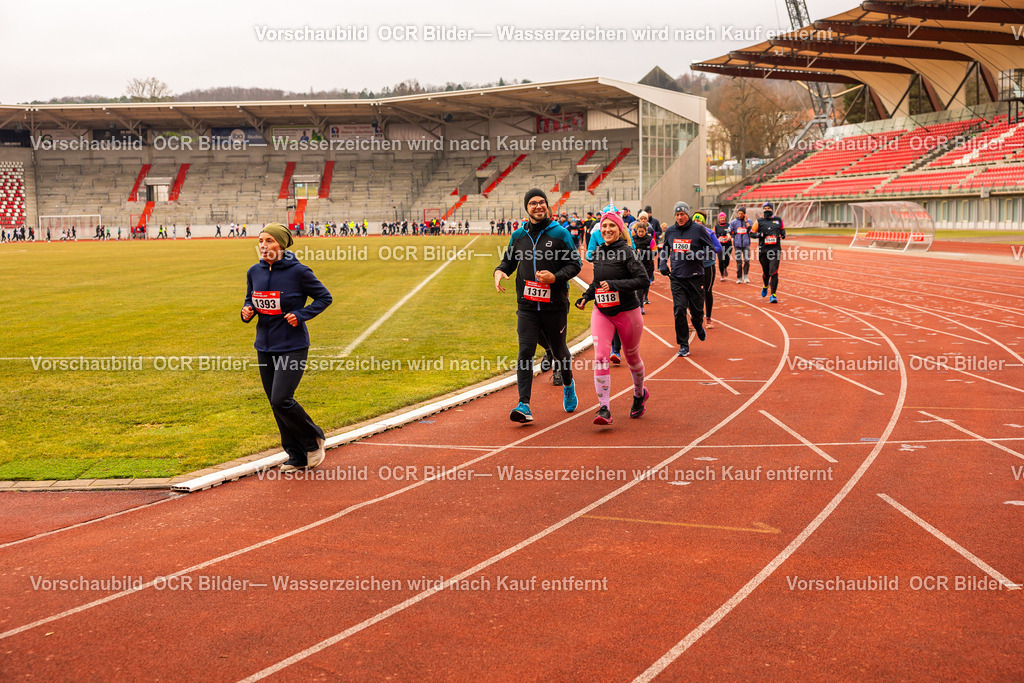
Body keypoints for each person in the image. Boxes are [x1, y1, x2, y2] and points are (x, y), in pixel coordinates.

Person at [241, 223, 333, 471]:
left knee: (282, 399)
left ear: (281, 244)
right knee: (274, 402)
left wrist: (301, 315)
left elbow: (325, 297)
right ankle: (296, 455)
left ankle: (313, 439)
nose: (263, 246)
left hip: (292, 345)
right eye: (260, 241)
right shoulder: (254, 272)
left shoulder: (299, 272)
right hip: (264, 346)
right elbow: (251, 299)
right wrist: (246, 311)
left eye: (269, 241)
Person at [494, 188, 582, 423]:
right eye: (533, 203)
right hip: (527, 307)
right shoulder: (518, 236)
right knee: (525, 352)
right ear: (527, 208)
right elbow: (508, 261)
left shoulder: (560, 234)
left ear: (547, 206)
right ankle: (524, 404)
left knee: (559, 350)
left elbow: (575, 264)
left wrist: (555, 277)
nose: (538, 206)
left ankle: (568, 383)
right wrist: (500, 271)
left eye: (542, 202)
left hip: (554, 305)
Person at [575, 212, 650, 425]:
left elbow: (643, 280)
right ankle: (604, 408)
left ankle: (639, 395)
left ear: (619, 229)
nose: (607, 229)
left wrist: (616, 285)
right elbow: (598, 282)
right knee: (600, 357)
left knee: (631, 356)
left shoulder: (627, 252)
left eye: (611, 226)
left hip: (627, 312)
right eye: (604, 226)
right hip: (602, 312)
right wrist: (586, 297)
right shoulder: (598, 253)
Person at [658, 201, 720, 357]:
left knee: (697, 311)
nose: (680, 217)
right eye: (677, 215)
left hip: (695, 277)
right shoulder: (670, 231)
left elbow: (711, 249)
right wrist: (662, 264)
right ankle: (683, 344)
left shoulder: (698, 229)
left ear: (687, 215)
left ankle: (698, 324)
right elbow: (665, 248)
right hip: (677, 277)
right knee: (679, 310)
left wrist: (696, 255)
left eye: (682, 215)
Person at [692, 212, 723, 330]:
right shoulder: (689, 233)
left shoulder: (709, 233)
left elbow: (719, 248)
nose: (696, 223)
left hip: (708, 265)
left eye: (699, 221)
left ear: (703, 223)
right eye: (694, 220)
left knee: (707, 291)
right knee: (693, 292)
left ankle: (708, 317)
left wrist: (706, 251)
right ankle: (694, 318)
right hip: (694, 265)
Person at [753, 202, 785, 303]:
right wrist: (759, 235)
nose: (767, 210)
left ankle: (773, 295)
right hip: (763, 251)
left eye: (769, 208)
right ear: (763, 210)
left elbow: (782, 230)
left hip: (775, 251)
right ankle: (766, 285)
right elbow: (751, 233)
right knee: (766, 273)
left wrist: (783, 234)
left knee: (774, 272)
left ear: (772, 210)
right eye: (765, 208)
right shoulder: (759, 221)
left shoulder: (778, 220)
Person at [631, 212, 657, 309]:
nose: (641, 233)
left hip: (648, 265)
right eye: (639, 231)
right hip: (637, 265)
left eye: (642, 231)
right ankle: (640, 305)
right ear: (636, 231)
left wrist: (642, 252)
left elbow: (654, 253)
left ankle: (643, 297)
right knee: (639, 286)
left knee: (646, 285)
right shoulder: (633, 239)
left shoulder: (650, 240)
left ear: (646, 231)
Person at [730, 208, 753, 283]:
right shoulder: (734, 222)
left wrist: (746, 221)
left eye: (741, 214)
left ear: (744, 214)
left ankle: (745, 275)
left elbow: (751, 230)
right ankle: (739, 277)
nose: (740, 215)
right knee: (739, 262)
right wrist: (729, 235)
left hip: (746, 244)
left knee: (747, 260)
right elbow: (729, 230)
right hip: (737, 245)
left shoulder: (749, 221)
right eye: (739, 213)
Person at [715, 213, 732, 281]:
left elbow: (731, 232)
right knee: (721, 260)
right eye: (721, 218)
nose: (722, 219)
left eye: (723, 218)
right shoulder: (716, 226)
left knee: (727, 259)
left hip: (728, 245)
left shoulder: (728, 225)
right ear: (719, 219)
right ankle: (722, 274)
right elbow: (714, 235)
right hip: (720, 246)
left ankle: (725, 267)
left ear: (725, 218)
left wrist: (729, 236)